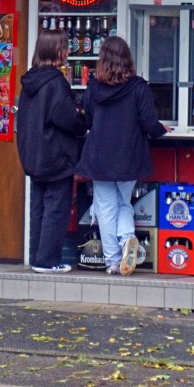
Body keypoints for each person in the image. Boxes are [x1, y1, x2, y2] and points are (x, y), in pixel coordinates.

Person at [76, 35, 169, 276]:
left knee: (105, 207)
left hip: (99, 155)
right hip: (128, 154)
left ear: (103, 60)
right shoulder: (139, 86)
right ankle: (127, 238)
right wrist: (162, 129)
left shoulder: (94, 87)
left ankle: (113, 261)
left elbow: (87, 119)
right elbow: (149, 123)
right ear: (127, 59)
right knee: (123, 202)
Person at [15, 28, 88, 273]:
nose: (69, 52)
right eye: (66, 47)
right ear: (58, 50)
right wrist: (83, 120)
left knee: (38, 208)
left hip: (33, 154)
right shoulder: (56, 83)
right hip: (56, 155)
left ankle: (37, 257)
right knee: (56, 209)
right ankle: (47, 261)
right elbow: (67, 119)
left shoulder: (30, 81)